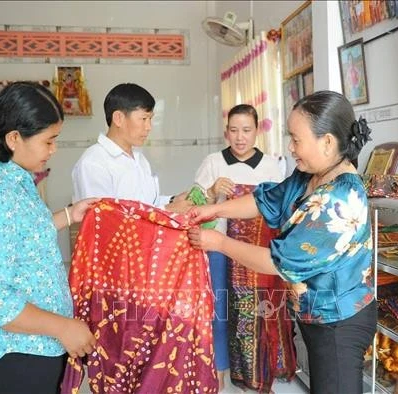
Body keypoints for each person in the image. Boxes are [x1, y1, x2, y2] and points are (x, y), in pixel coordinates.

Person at [187, 91, 376, 394]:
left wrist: (219, 242)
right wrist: (215, 208)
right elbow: (266, 201)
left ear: (327, 142)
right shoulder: (310, 176)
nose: (290, 147)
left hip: (339, 322)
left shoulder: (339, 200)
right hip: (316, 314)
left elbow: (278, 262)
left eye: (296, 139)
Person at [0, 81, 98, 394]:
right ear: (14, 138)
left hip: (36, 341)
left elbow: (19, 233)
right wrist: (63, 327)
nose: (53, 150)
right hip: (15, 351)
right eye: (49, 141)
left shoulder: (9, 173)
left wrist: (69, 214)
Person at [193, 104, 295, 392]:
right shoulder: (213, 162)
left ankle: (259, 373)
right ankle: (220, 371)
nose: (240, 137)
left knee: (262, 314)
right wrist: (212, 192)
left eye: (246, 130)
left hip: (257, 254)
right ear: (226, 132)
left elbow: (279, 211)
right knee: (221, 312)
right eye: (234, 131)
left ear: (257, 131)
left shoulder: (271, 166)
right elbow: (192, 205)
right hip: (218, 251)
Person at [71, 82, 191, 212]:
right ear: (118, 118)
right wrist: (168, 209)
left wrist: (173, 200)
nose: (149, 127)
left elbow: (148, 204)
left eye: (150, 119)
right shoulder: (94, 163)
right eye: (144, 119)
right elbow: (106, 219)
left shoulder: (139, 158)